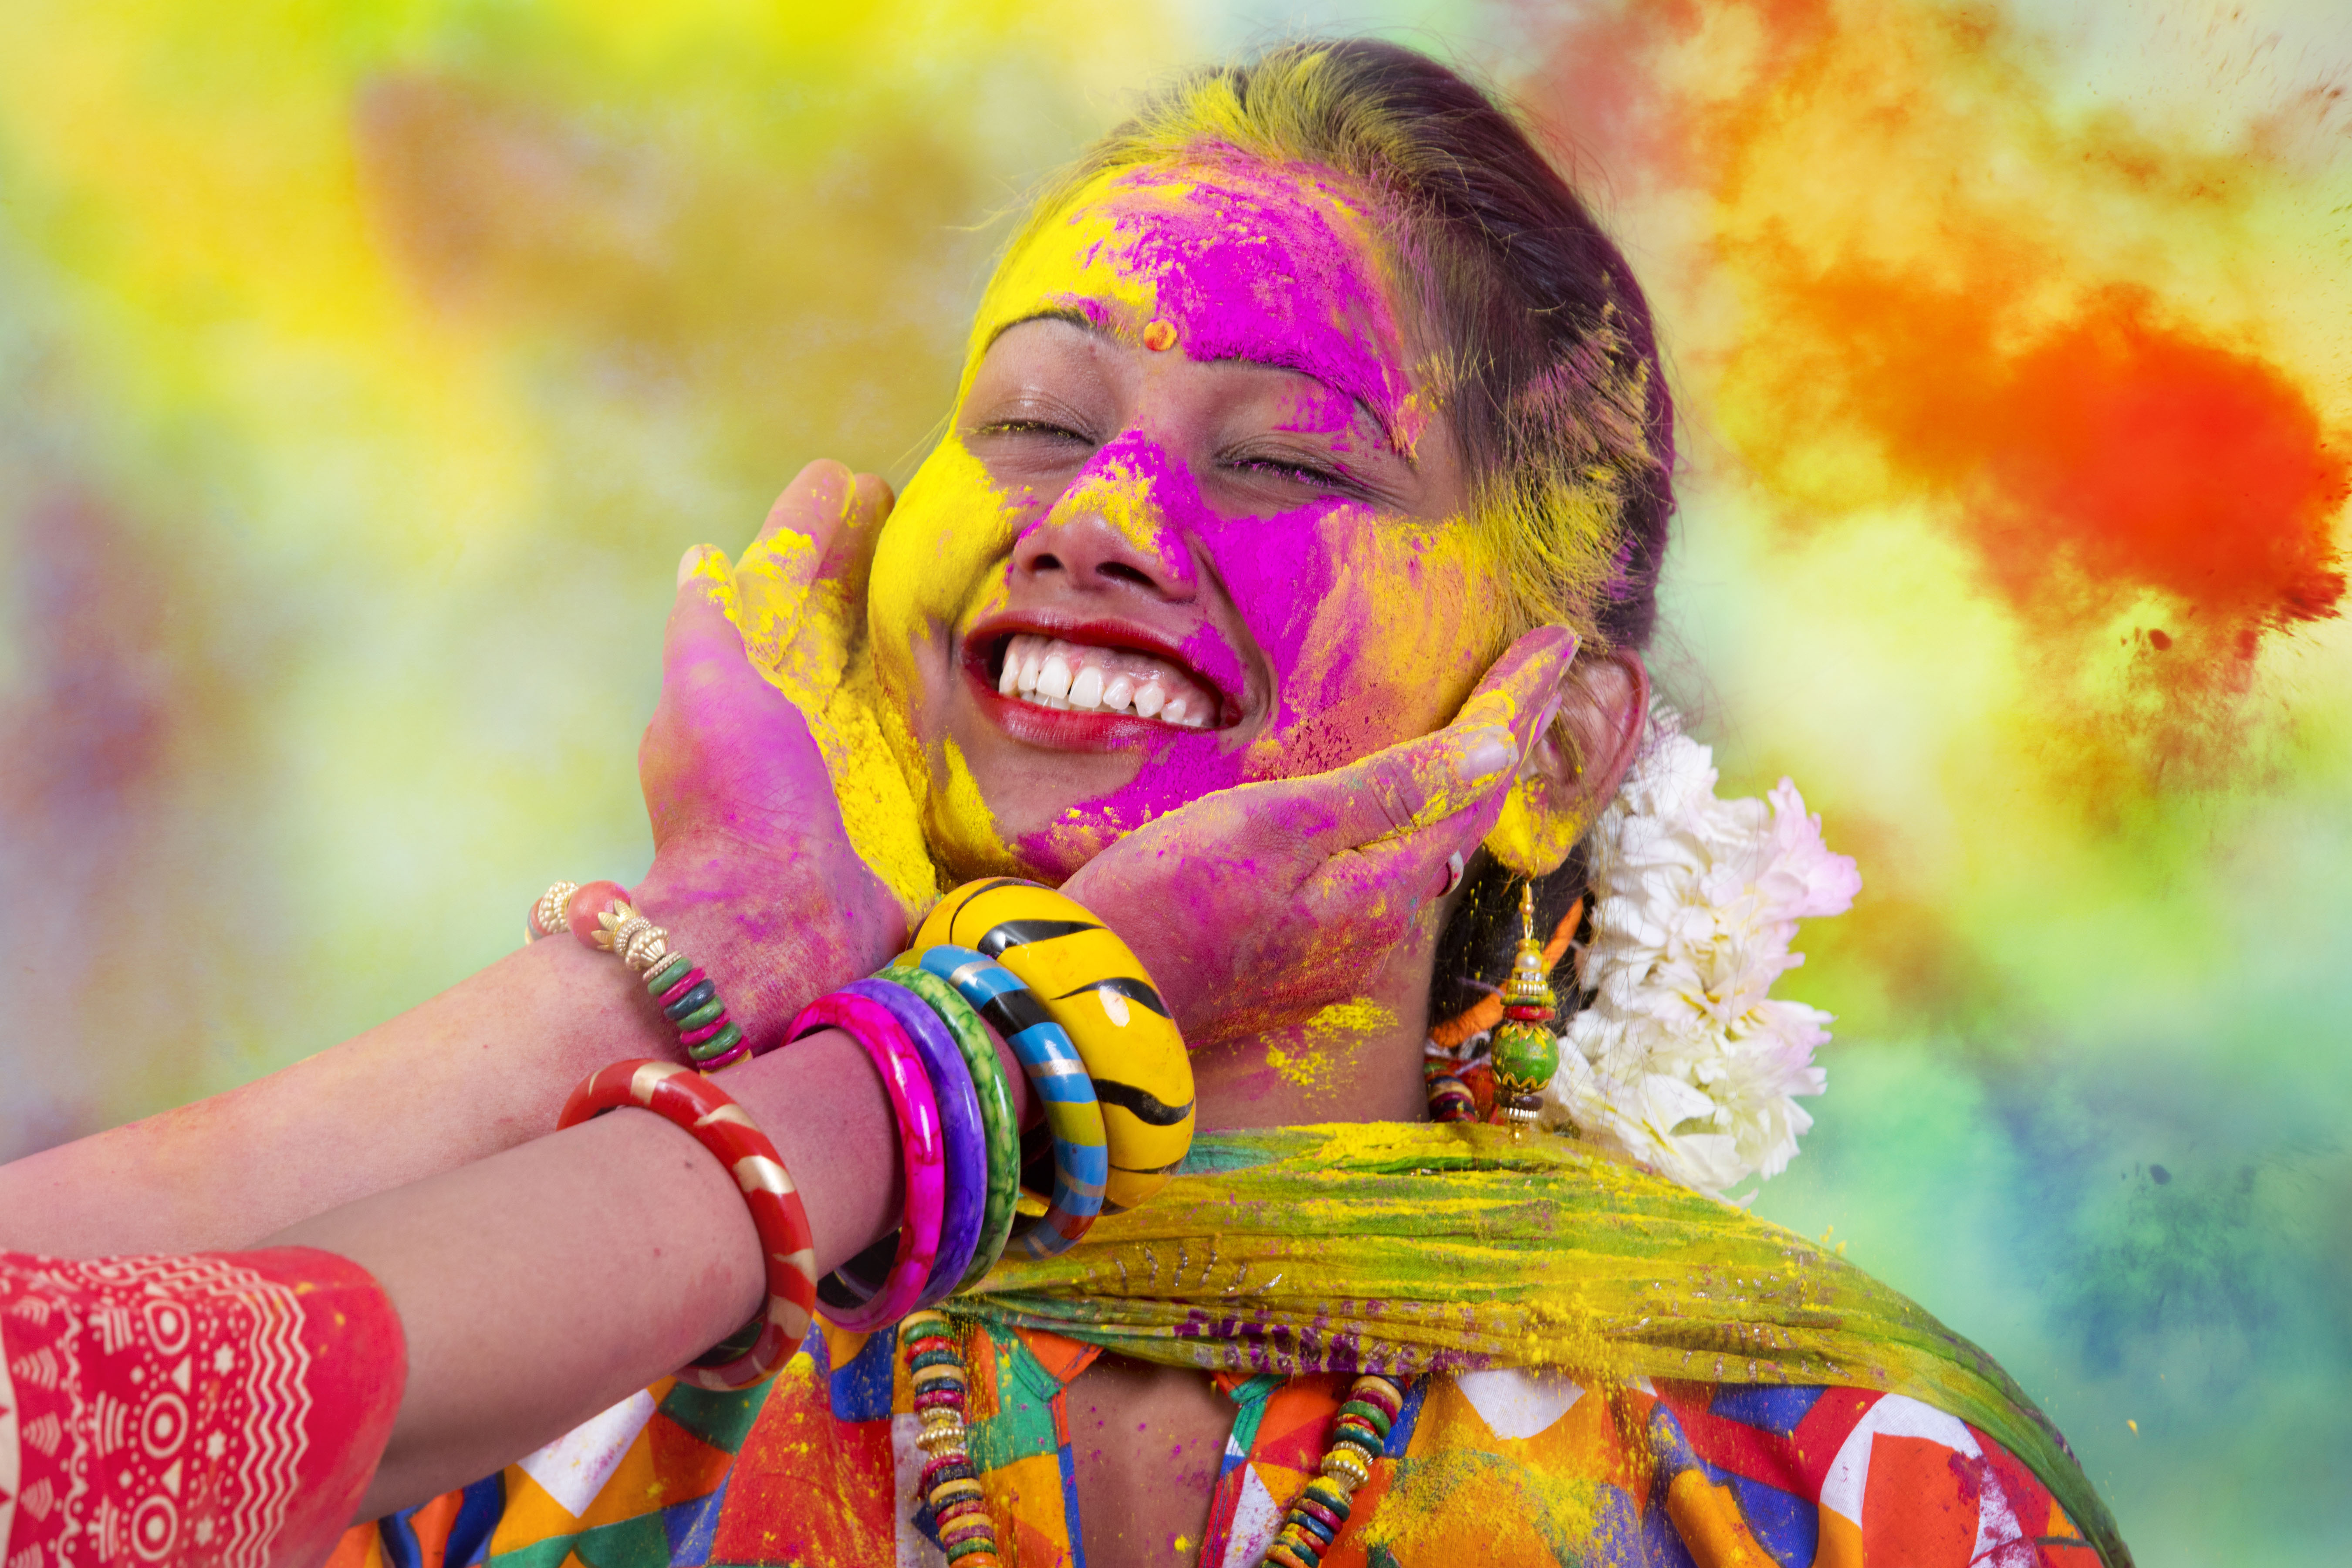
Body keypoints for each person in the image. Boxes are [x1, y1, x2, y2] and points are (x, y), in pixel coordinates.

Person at [0, 39, 2129, 1568]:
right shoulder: (539, 1400)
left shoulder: (1829, 1490)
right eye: (1033, 419)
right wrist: (717, 968)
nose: (1100, 517)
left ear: (1556, 748)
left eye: (1288, 458)